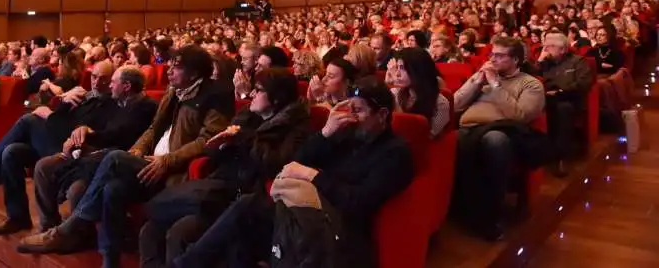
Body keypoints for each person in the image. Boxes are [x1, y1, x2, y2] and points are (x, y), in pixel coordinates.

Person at [16, 45, 233, 267]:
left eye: (176, 68)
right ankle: (109, 260)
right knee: (112, 189)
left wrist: (167, 160)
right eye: (169, 66)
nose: (169, 71)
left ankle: (68, 228)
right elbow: (153, 130)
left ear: (194, 73)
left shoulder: (214, 96)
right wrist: (138, 150)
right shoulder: (173, 92)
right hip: (147, 161)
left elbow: (206, 141)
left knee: (113, 158)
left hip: (172, 170)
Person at [172, 78, 414, 268]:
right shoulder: (347, 133)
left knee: (246, 211)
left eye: (359, 111)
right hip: (303, 213)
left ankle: (184, 265)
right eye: (350, 110)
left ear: (382, 115)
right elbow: (298, 161)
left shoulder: (395, 153)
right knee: (242, 226)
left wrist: (314, 176)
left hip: (335, 231)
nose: (352, 117)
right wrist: (326, 132)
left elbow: (359, 203)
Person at [139, 68, 310, 268]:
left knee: (179, 232)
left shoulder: (295, 126)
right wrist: (220, 145)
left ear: (276, 98)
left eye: (259, 90)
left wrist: (246, 138)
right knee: (150, 230)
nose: (252, 94)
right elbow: (213, 157)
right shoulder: (248, 115)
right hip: (220, 186)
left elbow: (276, 164)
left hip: (246, 196)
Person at [0, 61, 116, 235]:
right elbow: (61, 118)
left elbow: (72, 131)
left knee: (29, 120)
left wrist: (48, 115)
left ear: (111, 81)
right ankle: (17, 218)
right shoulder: (84, 96)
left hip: (73, 152)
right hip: (54, 142)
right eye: (94, 76)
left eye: (103, 79)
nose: (96, 82)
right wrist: (65, 100)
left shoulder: (111, 105)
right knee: (11, 152)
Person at [31, 67, 158, 234]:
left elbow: (120, 137)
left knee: (77, 188)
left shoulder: (145, 107)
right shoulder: (118, 102)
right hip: (92, 151)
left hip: (114, 160)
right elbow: (100, 128)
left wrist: (88, 136)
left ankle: (76, 235)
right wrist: (80, 134)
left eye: (112, 82)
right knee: (43, 166)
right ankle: (49, 224)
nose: (110, 86)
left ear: (126, 86)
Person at [452, 36, 546, 241]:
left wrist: (496, 85)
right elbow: (456, 105)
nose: (493, 59)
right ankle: (461, 207)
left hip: (505, 131)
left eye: (500, 56)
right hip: (469, 129)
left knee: (495, 141)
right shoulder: (482, 77)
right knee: (449, 141)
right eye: (492, 54)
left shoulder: (530, 84)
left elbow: (520, 115)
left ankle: (490, 214)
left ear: (516, 60)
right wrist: (476, 82)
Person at [533, 33, 593, 177]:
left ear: (563, 49)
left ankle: (561, 157)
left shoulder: (578, 62)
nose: (546, 49)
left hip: (569, 99)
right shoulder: (545, 63)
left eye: (551, 46)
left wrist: (561, 90)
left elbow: (584, 83)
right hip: (545, 99)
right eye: (545, 45)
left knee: (563, 109)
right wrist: (539, 61)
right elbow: (530, 78)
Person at [387, 48, 451, 138]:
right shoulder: (395, 93)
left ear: (419, 70)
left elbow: (425, 138)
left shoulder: (440, 103)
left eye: (402, 68)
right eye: (396, 67)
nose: (397, 74)